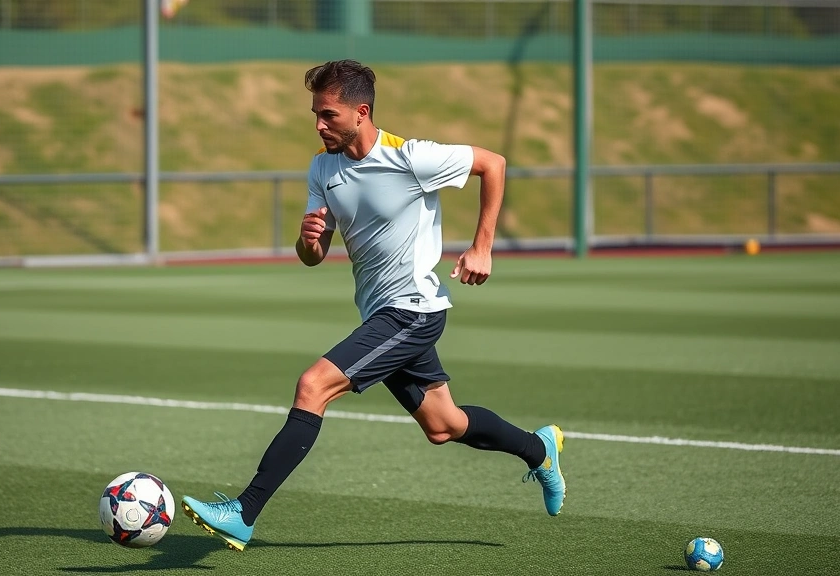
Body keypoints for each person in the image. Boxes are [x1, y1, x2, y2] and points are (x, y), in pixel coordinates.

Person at [181, 59, 565, 552]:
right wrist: (309, 239)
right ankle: (539, 450)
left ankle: (243, 511)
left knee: (312, 385)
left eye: (330, 115)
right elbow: (312, 258)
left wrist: (482, 246)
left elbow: (494, 163)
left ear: (361, 112)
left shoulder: (411, 157)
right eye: (316, 114)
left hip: (413, 312)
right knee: (443, 426)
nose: (320, 125)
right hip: (380, 314)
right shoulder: (323, 167)